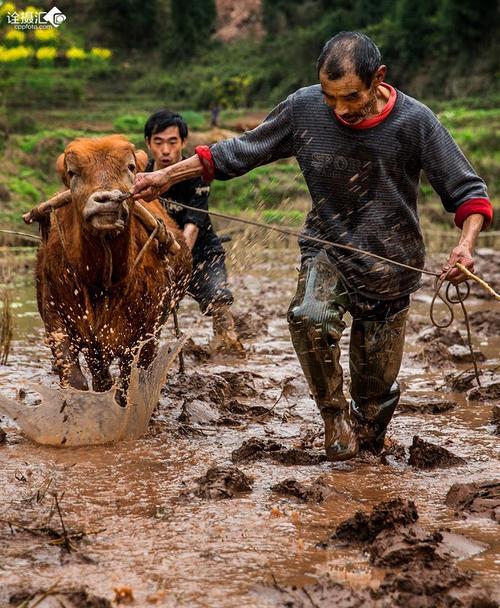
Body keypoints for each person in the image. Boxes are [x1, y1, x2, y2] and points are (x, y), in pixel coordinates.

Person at [133, 33, 493, 461]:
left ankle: (368, 433)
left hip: (391, 264)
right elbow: (242, 150)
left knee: (374, 394)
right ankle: (333, 415)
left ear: (379, 79)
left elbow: (467, 191)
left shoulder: (416, 122)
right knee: (308, 316)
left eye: (350, 97)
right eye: (329, 97)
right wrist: (167, 177)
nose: (339, 109)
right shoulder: (304, 108)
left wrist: (465, 245)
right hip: (329, 248)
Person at [143, 110, 243, 354]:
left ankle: (228, 348)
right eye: (158, 142)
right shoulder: (140, 176)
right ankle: (146, 356)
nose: (165, 150)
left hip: (200, 253)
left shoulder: (196, 176)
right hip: (155, 256)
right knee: (145, 311)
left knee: (217, 300)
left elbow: (192, 227)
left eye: (172, 142)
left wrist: (176, 263)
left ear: (183, 143)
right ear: (148, 144)